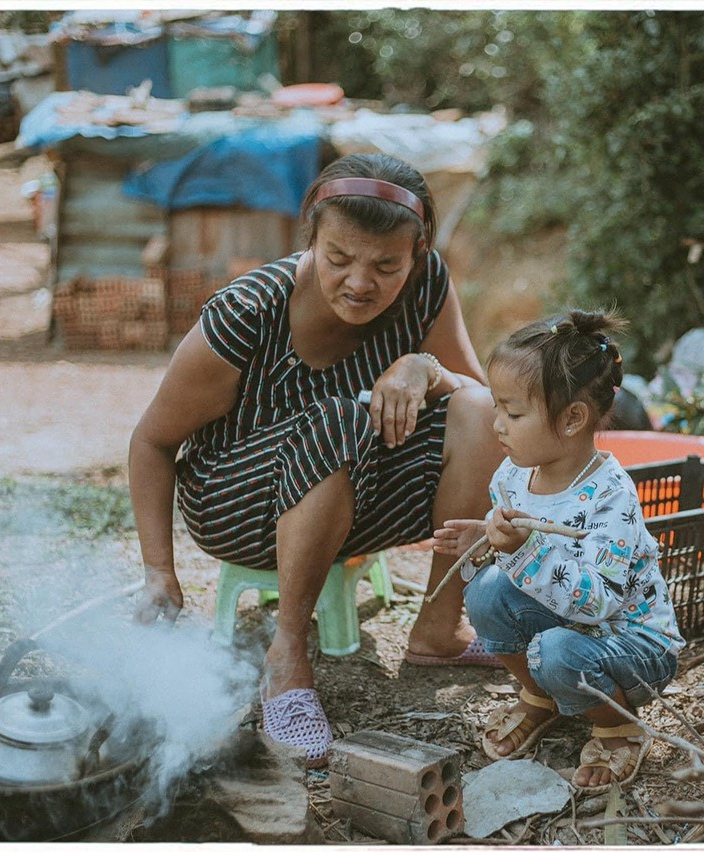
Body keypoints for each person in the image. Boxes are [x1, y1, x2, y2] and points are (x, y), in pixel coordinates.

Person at [129, 153, 504, 767]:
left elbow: (485, 402)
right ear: (311, 239)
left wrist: (422, 367)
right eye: (338, 259)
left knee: (479, 409)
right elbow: (152, 442)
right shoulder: (248, 312)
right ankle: (287, 657)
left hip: (353, 490)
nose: (360, 282)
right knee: (339, 417)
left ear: (416, 254)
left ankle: (440, 628)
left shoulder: (428, 283)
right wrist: (158, 570)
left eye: (386, 265)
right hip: (234, 501)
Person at [432, 310, 685, 793]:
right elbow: (517, 560)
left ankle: (617, 725)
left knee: (556, 651)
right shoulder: (511, 476)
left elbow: (599, 603)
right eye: (497, 409)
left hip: (632, 644)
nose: (497, 425)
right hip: (566, 629)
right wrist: (485, 544)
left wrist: (522, 549)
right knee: (484, 592)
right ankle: (539, 695)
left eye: (514, 413)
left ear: (572, 419)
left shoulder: (612, 497)